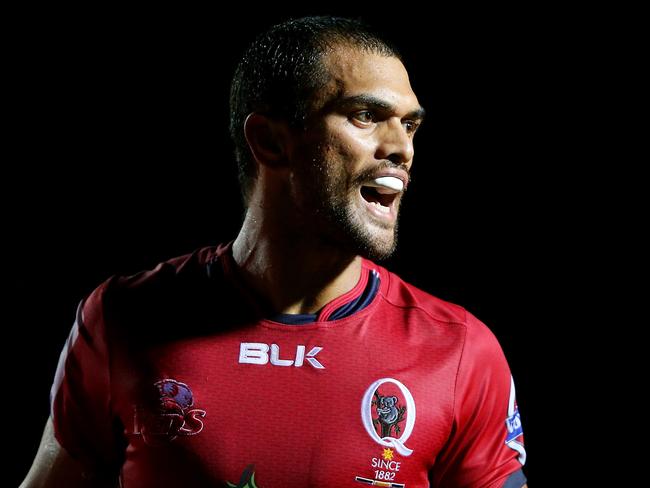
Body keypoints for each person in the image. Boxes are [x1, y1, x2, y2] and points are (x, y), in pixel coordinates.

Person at [21, 16, 527, 488]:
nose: (401, 148)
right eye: (366, 116)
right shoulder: (121, 318)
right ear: (270, 142)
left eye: (410, 125)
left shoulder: (460, 351)